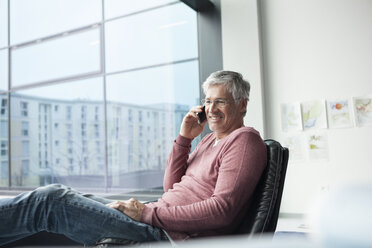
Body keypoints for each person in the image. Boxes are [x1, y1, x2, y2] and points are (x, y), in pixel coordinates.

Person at [0, 70, 267, 246]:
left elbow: (222, 211)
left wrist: (147, 213)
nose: (211, 109)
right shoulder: (209, 140)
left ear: (242, 104)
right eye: (208, 102)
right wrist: (184, 139)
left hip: (167, 235)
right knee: (67, 195)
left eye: (220, 102)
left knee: (52, 199)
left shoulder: (243, 141)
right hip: (158, 218)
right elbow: (171, 187)